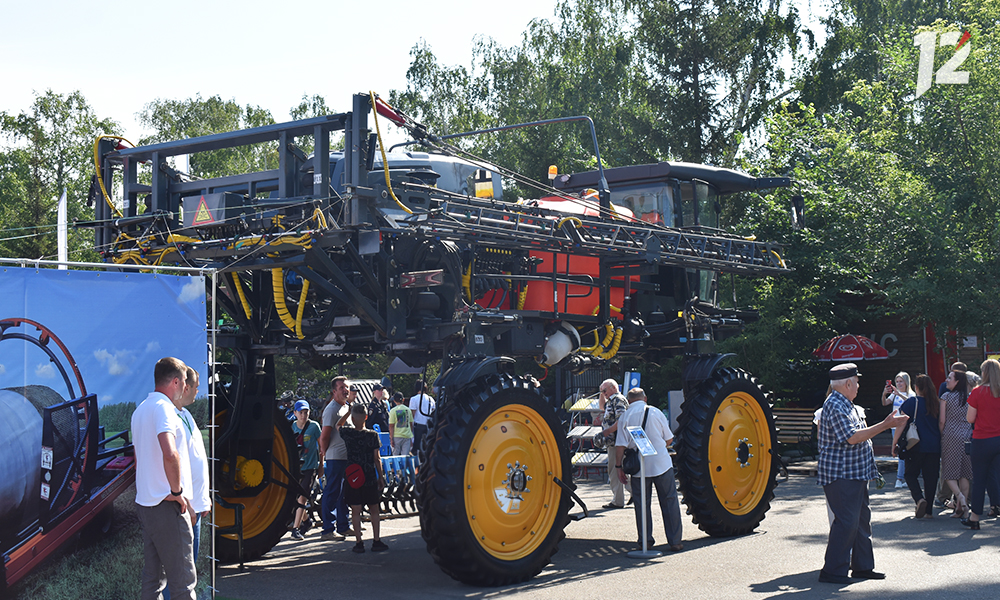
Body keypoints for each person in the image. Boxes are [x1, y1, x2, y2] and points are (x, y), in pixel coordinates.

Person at [816, 363, 908, 584]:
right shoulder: (835, 405)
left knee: (861, 521)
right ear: (847, 383)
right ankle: (832, 571)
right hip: (842, 475)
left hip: (854, 473)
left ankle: (862, 567)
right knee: (847, 522)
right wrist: (886, 425)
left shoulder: (846, 403)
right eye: (856, 382)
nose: (858, 385)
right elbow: (852, 437)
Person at [132, 357, 196, 600]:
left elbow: (140, 459)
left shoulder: (140, 410)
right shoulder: (165, 408)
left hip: (146, 504)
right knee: (183, 582)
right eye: (184, 384)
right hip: (167, 505)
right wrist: (178, 493)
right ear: (176, 381)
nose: (185, 390)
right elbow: (170, 453)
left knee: (153, 578)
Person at [614, 387, 683, 551]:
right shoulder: (656, 412)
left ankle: (645, 540)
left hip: (639, 467)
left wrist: (618, 467)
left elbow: (620, 446)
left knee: (641, 504)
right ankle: (675, 541)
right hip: (661, 463)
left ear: (629, 401)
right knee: (670, 501)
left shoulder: (625, 416)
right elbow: (669, 439)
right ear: (645, 398)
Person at [338, 402, 388, 553]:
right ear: (366, 417)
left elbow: (337, 425)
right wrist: (381, 476)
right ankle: (376, 540)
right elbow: (376, 458)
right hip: (369, 475)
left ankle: (359, 542)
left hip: (353, 475)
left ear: (353, 419)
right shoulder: (373, 435)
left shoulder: (348, 433)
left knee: (355, 510)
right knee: (374, 508)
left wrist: (348, 412)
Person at [890, 374, 941, 519]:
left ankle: (919, 499)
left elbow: (901, 424)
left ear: (916, 387)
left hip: (915, 444)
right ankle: (929, 511)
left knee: (910, 474)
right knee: (931, 478)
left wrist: (895, 443)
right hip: (934, 445)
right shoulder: (935, 403)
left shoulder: (912, 402)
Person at [962, 359, 1000, 530]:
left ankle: (975, 517)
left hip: (982, 439)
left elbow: (970, 419)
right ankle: (996, 506)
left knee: (979, 480)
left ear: (984, 373)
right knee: (995, 475)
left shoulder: (977, 392)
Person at [319, 375, 353, 541]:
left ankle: (343, 525)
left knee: (343, 493)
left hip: (346, 457)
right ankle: (327, 529)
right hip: (335, 458)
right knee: (332, 492)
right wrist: (324, 453)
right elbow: (324, 436)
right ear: (334, 391)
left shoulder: (347, 408)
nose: (346, 390)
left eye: (346, 387)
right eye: (342, 388)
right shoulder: (331, 410)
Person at [939, 369, 974, 517]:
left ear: (957, 381)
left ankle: (959, 496)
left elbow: (942, 420)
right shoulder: (970, 398)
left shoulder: (946, 397)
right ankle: (963, 509)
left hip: (950, 435)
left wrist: (942, 435)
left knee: (948, 472)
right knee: (964, 473)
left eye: (950, 378)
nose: (947, 380)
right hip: (967, 436)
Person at [291, 399, 322, 540]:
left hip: (310, 466)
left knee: (302, 497)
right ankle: (306, 521)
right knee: (295, 498)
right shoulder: (292, 427)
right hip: (297, 468)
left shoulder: (314, 427)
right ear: (295, 413)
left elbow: (321, 447)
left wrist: (321, 465)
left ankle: (295, 528)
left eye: (306, 412)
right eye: (301, 412)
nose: (304, 415)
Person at [596, 378, 629, 509]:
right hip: (614, 441)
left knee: (615, 471)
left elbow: (621, 421)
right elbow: (601, 406)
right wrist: (601, 393)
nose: (604, 393)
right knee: (618, 470)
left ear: (613, 388)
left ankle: (618, 500)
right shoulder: (612, 400)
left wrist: (606, 432)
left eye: (605, 390)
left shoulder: (618, 400)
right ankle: (634, 493)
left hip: (617, 441)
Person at [881, 372, 915, 488]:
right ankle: (900, 479)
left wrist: (899, 394)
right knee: (899, 450)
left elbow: (912, 403)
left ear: (906, 382)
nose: (899, 384)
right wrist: (884, 394)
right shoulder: (894, 394)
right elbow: (885, 403)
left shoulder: (911, 394)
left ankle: (902, 478)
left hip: (905, 427)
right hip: (894, 426)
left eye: (901, 381)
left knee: (905, 452)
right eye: (897, 382)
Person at [409, 380, 435, 456]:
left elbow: (412, 415)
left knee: (416, 449)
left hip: (418, 426)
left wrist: (410, 429)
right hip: (428, 427)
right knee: (426, 447)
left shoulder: (414, 399)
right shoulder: (431, 399)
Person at [388, 391, 414, 456]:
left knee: (395, 456)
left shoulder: (393, 411)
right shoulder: (408, 410)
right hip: (407, 436)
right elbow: (411, 424)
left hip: (396, 436)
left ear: (394, 401)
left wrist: (391, 438)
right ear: (403, 399)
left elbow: (391, 425)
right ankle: (404, 466)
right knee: (405, 456)